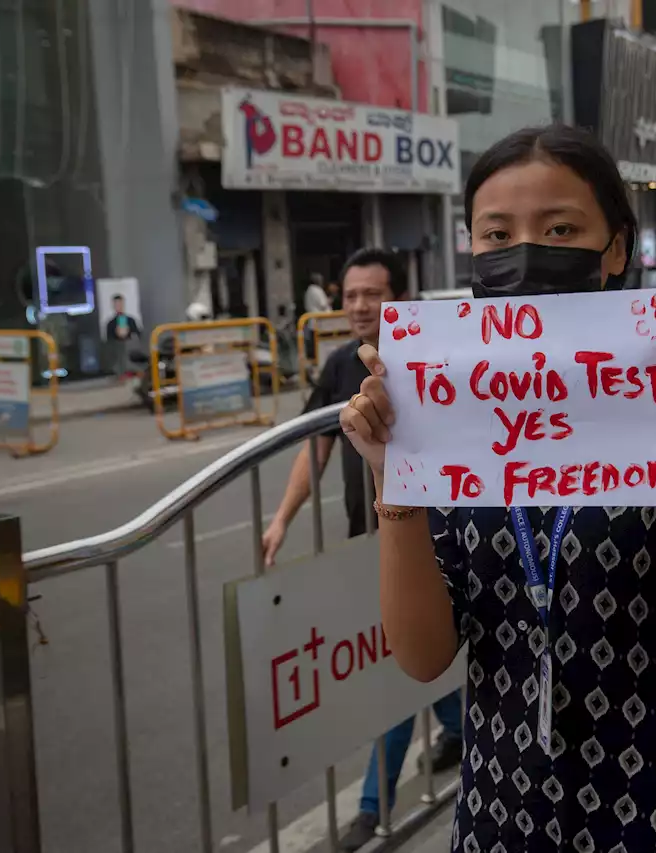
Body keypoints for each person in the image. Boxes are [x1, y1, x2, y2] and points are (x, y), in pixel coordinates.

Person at [339, 124, 656, 851]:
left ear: (617, 247)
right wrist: (393, 477)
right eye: (495, 232)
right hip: (502, 814)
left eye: (560, 227)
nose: (522, 251)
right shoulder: (442, 419)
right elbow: (421, 655)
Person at [260, 249, 463, 851]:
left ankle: (373, 807)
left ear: (397, 298)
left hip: (426, 547)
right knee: (423, 664)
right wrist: (280, 520)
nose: (358, 307)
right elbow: (317, 449)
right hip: (367, 547)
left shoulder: (428, 363)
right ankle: (468, 738)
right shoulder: (341, 364)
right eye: (349, 295)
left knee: (393, 679)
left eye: (372, 295)